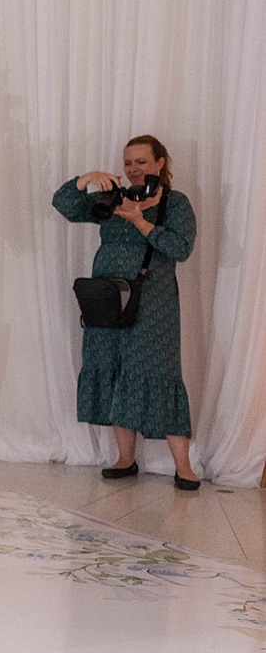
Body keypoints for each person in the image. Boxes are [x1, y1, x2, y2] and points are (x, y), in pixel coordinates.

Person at [53, 135, 200, 488]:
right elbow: (64, 205)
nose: (133, 169)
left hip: (154, 303)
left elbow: (181, 248)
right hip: (107, 299)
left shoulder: (175, 203)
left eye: (141, 162)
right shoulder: (114, 197)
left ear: (160, 163)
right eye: (128, 163)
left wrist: (140, 222)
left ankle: (184, 467)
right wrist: (86, 179)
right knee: (115, 368)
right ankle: (125, 459)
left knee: (158, 372)